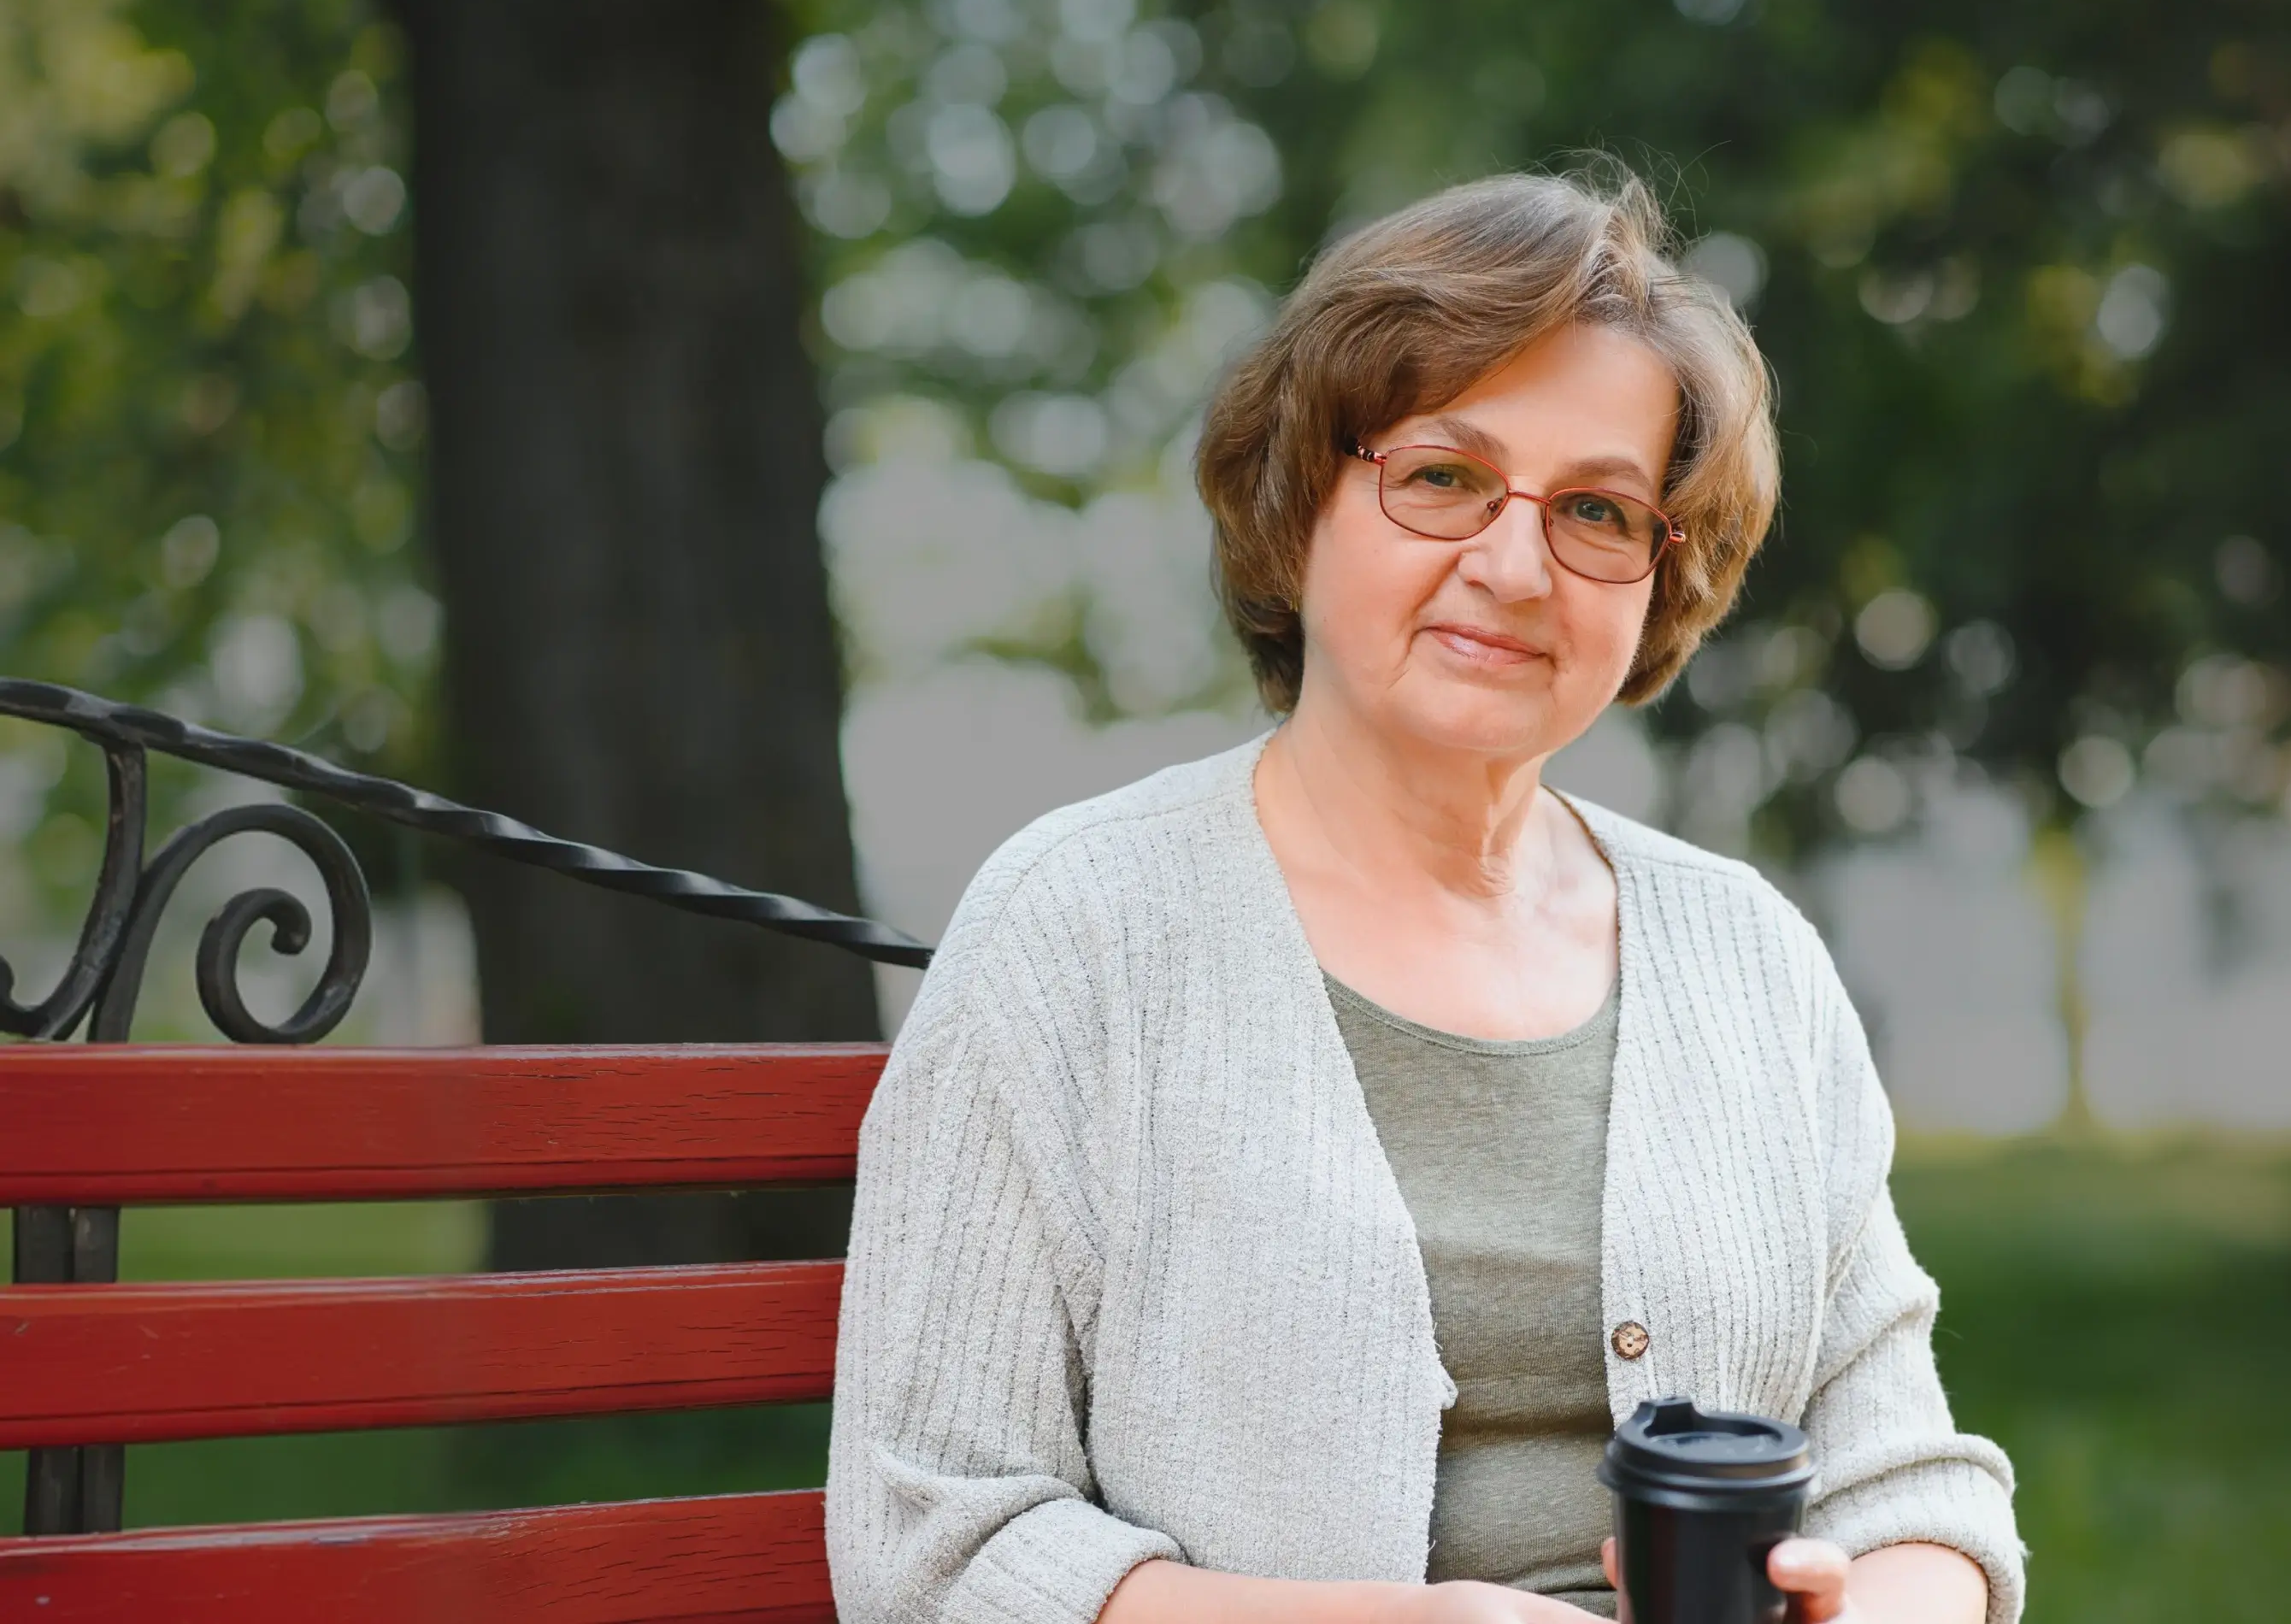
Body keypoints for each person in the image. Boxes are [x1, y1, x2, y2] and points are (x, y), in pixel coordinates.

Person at [825, 166, 2023, 1624]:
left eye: (1596, 509)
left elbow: (1913, 1492)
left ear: (1660, 574)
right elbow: (934, 1544)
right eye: (1444, 476)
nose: (1515, 566)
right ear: (1302, 496)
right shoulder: (1075, 931)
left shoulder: (1748, 957)